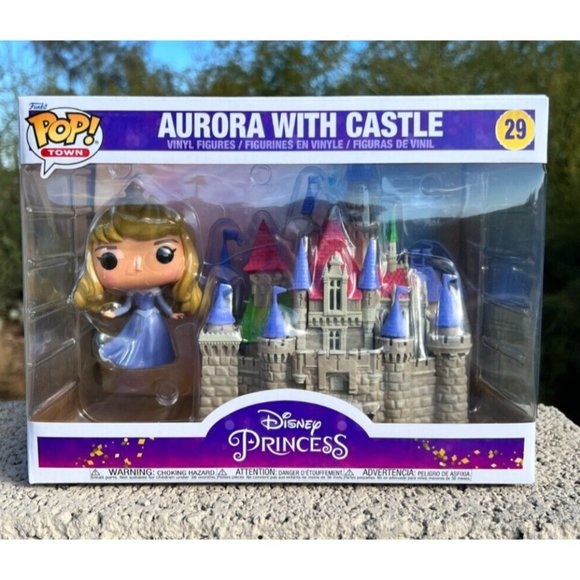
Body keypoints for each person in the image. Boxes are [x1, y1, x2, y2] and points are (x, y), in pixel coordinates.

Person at [72, 202, 202, 369]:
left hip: (154, 319)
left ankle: (155, 359)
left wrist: (172, 314)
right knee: (133, 341)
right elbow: (126, 307)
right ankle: (129, 359)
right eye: (109, 259)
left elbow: (163, 305)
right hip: (139, 318)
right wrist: (113, 313)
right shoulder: (132, 294)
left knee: (155, 341)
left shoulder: (155, 291)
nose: (138, 266)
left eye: (164, 254)